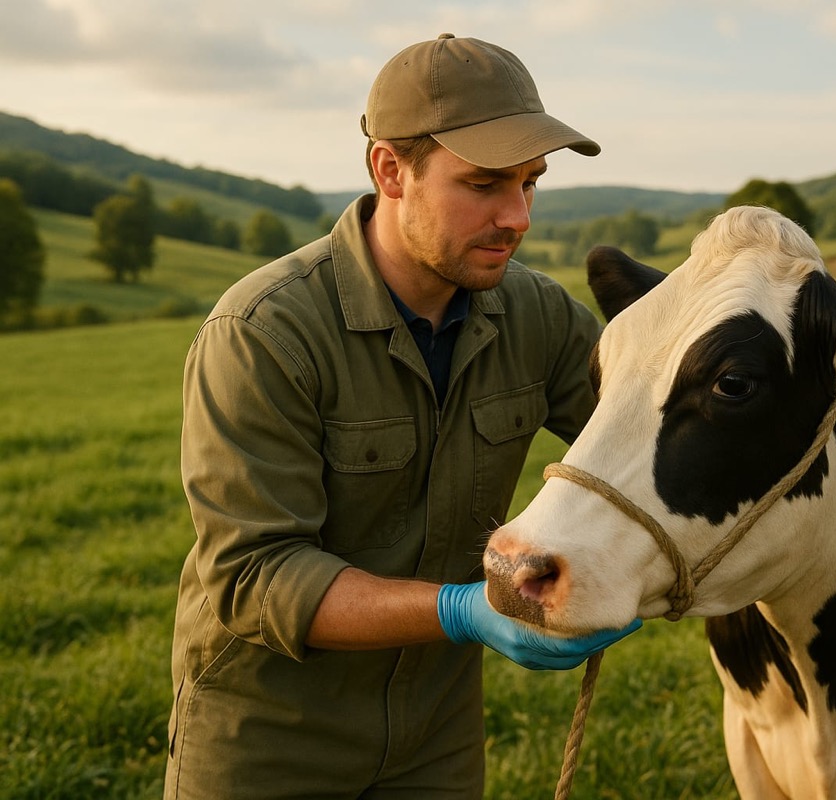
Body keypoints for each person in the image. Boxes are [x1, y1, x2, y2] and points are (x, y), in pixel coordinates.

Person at [165, 33, 640, 799]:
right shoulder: (262, 333)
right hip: (269, 738)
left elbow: (651, 439)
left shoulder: (541, 317)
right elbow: (254, 577)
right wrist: (464, 611)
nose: (516, 216)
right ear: (390, 169)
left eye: (530, 183)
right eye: (484, 183)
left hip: (437, 739)